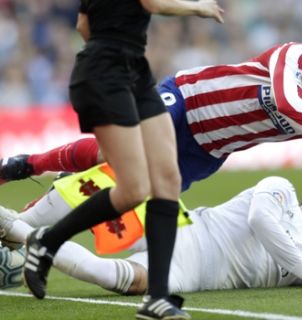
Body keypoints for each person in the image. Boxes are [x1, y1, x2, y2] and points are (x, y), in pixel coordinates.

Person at [1, 24, 302, 281]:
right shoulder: (293, 55)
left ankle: (21, 208)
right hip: (185, 99)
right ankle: (25, 177)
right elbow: (287, 103)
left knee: (123, 188)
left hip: (205, 153)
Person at [19, 1, 224, 319]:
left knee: (166, 181)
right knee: (133, 189)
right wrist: (198, 7)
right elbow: (152, 3)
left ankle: (157, 298)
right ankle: (48, 239)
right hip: (105, 74)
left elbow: (83, 25)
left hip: (135, 73)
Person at [0, 176, 302, 293]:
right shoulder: (280, 190)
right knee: (107, 189)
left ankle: (11, 227)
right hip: (186, 228)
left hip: (189, 276)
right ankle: (45, 195)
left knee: (109, 278)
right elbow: (260, 222)